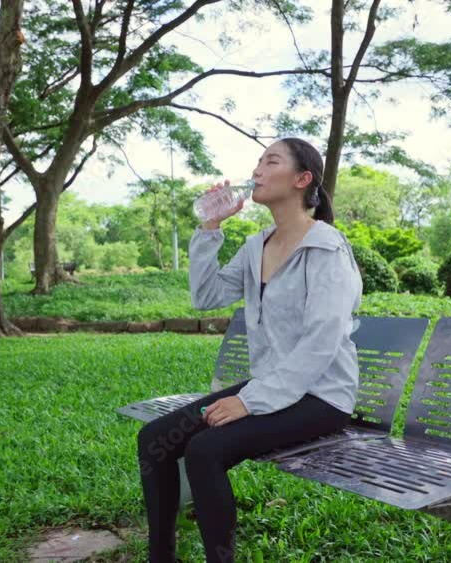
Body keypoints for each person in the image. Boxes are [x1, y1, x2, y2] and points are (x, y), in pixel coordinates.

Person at [136, 138, 363, 562]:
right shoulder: (257, 245)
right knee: (154, 440)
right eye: (257, 161)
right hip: (273, 388)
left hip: (321, 396)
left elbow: (321, 342)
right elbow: (205, 296)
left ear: (302, 179)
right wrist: (210, 228)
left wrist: (250, 401)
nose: (257, 170)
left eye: (270, 161)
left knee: (205, 449)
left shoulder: (327, 248)